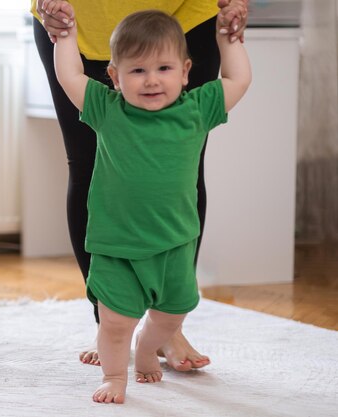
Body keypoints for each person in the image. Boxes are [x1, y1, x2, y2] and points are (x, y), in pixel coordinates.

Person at [46, 2, 251, 403]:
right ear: (115, 77)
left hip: (175, 243)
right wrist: (66, 35)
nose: (151, 81)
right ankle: (115, 376)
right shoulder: (106, 110)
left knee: (173, 314)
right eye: (137, 71)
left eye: (163, 69)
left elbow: (238, 78)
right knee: (115, 322)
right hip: (116, 246)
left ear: (186, 72)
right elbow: (69, 74)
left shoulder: (197, 108)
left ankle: (147, 347)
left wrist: (228, 38)